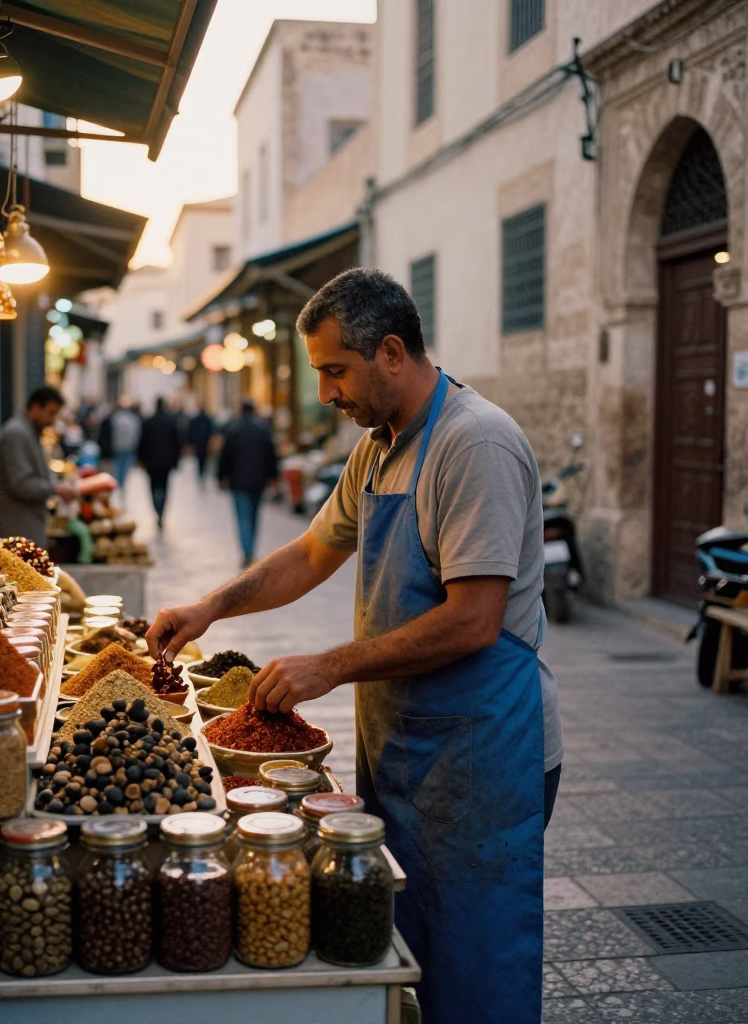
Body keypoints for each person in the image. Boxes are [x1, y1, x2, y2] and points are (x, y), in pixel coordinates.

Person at [146, 268, 563, 1024]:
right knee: (409, 952)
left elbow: (474, 620)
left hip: (483, 749)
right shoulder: (378, 448)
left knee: (477, 963)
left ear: (392, 352)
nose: (327, 392)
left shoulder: (475, 445)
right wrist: (210, 607)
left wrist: (328, 666)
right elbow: (310, 553)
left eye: (335, 370)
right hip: (405, 742)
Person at [0, 386, 76, 547]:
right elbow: (21, 484)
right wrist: (55, 488)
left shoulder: (28, 432)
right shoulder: (16, 434)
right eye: (50, 413)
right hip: (16, 526)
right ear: (35, 407)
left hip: (24, 525)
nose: (53, 419)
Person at [217, 398, 278, 567]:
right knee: (253, 516)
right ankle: (250, 549)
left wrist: (221, 477)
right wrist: (273, 477)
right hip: (258, 481)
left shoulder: (233, 429)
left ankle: (247, 550)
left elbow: (225, 456)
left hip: (238, 481)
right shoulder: (262, 429)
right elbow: (271, 455)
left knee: (243, 517)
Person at [138, 396, 182, 531]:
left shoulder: (149, 422)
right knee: (164, 487)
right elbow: (177, 442)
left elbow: (142, 442)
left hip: (152, 462)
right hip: (166, 462)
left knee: (153, 487)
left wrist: (141, 459)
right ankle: (161, 511)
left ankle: (157, 511)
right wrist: (176, 460)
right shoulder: (171, 422)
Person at [97, 396, 142, 492]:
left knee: (118, 468)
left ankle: (119, 485)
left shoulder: (116, 418)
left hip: (119, 447)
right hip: (127, 447)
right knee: (123, 468)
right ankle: (121, 485)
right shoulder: (132, 418)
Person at [185, 405, 215, 485]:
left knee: (199, 461)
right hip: (205, 443)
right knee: (204, 461)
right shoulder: (208, 420)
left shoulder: (195, 420)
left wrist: (190, 442)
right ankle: (202, 476)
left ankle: (200, 475)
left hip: (198, 444)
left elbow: (190, 432)